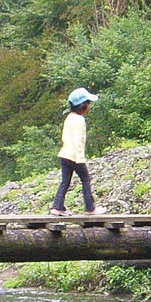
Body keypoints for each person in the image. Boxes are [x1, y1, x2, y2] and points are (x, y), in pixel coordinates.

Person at [50, 87, 108, 216]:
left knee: (65, 181)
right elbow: (78, 140)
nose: (89, 106)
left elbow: (65, 137)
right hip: (74, 155)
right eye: (88, 104)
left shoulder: (69, 117)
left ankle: (57, 206)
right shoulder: (80, 120)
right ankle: (90, 208)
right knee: (86, 179)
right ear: (82, 106)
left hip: (64, 153)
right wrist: (79, 158)